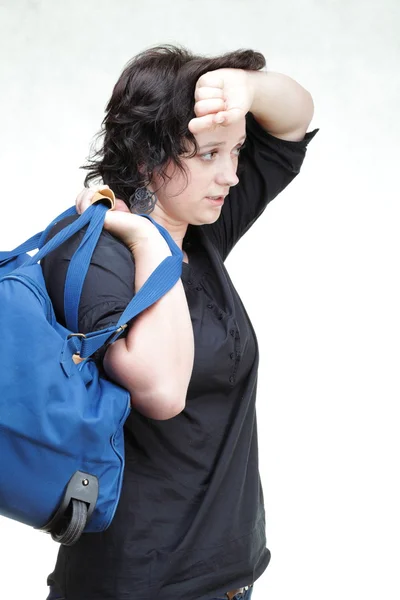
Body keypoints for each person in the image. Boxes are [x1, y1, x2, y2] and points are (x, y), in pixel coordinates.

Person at [41, 44, 318, 600]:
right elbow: (163, 391)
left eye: (236, 151)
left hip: (226, 577)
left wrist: (247, 89)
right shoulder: (93, 257)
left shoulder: (201, 228)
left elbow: (295, 117)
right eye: (210, 154)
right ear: (149, 157)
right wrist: (147, 237)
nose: (232, 175)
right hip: (138, 583)